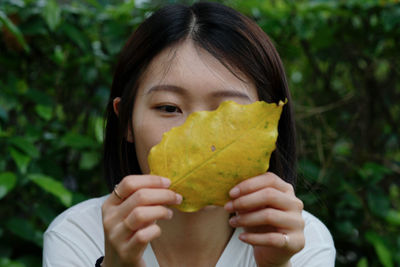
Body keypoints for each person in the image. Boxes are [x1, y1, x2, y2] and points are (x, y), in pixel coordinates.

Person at [43, 2, 335, 266]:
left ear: (268, 131)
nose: (197, 137)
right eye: (169, 108)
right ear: (126, 123)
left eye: (226, 114)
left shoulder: (302, 243)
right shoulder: (77, 236)